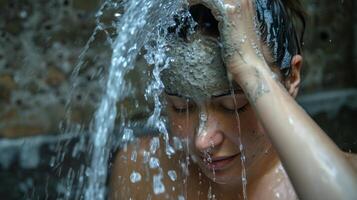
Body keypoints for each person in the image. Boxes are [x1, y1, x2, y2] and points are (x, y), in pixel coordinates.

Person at [109, 0, 357, 199]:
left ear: (291, 78)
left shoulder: (342, 179)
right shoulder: (142, 171)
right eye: (181, 107)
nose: (203, 140)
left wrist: (250, 66)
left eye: (234, 106)